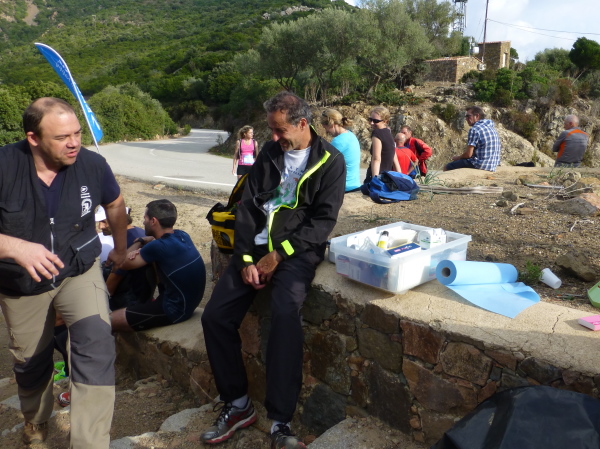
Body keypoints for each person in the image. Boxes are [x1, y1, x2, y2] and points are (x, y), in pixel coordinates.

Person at [200, 92, 346, 449]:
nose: (275, 137)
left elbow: (322, 222)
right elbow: (248, 207)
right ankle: (237, 404)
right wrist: (246, 259)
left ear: (302, 123)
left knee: (285, 315)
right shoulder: (268, 152)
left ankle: (281, 420)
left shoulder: (330, 161)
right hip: (255, 249)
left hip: (296, 253)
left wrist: (278, 256)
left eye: (280, 131)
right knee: (215, 317)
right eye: (271, 130)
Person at [0, 97, 127, 448]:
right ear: (33, 138)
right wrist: (14, 246)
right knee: (31, 360)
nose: (73, 143)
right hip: (22, 282)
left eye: (77, 133)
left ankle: (89, 443)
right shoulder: (4, 166)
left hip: (77, 269)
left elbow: (115, 203)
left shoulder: (92, 165)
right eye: (61, 137)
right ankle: (37, 419)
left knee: (96, 344)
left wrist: (119, 248)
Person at [110, 199, 206, 332]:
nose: (143, 222)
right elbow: (157, 242)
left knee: (109, 320)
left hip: (174, 310)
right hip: (188, 303)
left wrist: (139, 241)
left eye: (145, 218)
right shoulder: (182, 235)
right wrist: (148, 242)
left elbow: (121, 263)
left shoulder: (158, 247)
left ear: (153, 221)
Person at [444, 106, 501, 172]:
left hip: (481, 164)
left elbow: (469, 154)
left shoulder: (475, 129)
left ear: (477, 116)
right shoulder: (491, 128)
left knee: (447, 167)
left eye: (468, 116)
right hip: (492, 165)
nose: (466, 119)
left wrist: (458, 158)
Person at [321, 108, 361, 192]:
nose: (326, 132)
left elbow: (323, 164)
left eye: (325, 128)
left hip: (345, 187)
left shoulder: (338, 141)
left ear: (331, 124)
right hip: (355, 184)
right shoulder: (351, 135)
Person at [365, 106, 400, 183]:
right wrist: (400, 177)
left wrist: (375, 181)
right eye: (370, 119)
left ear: (385, 121)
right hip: (386, 176)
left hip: (378, 176)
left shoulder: (377, 133)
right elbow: (394, 158)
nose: (372, 123)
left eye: (376, 121)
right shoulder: (388, 133)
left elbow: (376, 158)